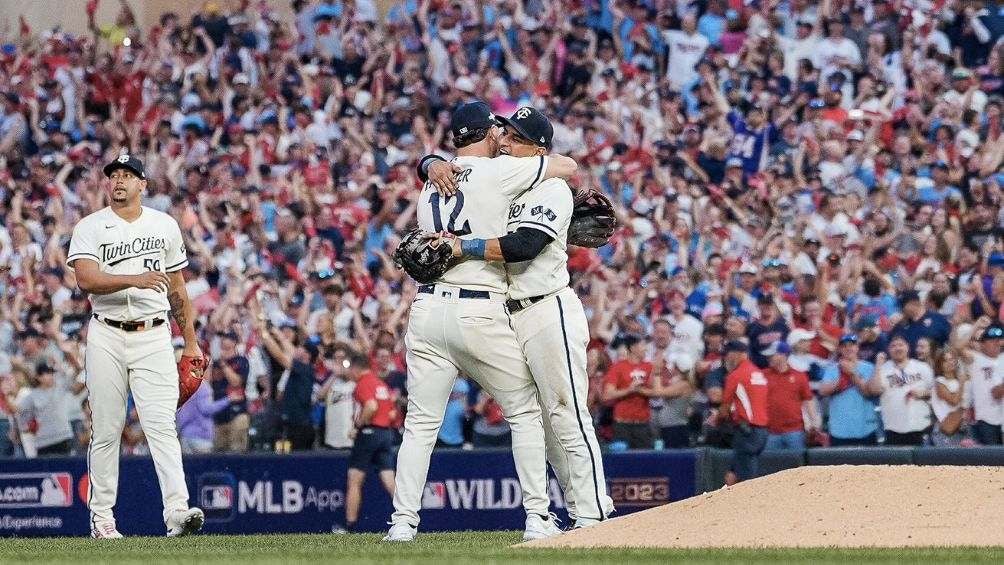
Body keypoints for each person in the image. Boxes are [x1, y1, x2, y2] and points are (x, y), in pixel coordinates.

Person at [384, 102, 578, 543]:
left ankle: (402, 524)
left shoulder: (431, 185)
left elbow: (439, 167)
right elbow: (565, 164)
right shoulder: (498, 173)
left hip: (428, 309)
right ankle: (537, 517)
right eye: (496, 128)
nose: (500, 134)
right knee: (525, 411)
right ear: (487, 132)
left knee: (419, 425)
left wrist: (430, 162)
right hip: (480, 306)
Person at [435, 105, 614, 527]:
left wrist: (465, 248)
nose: (506, 141)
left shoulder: (550, 187)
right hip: (513, 314)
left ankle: (594, 511)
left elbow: (523, 246)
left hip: (549, 308)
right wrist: (431, 163)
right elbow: (456, 170)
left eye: (515, 136)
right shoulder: (507, 184)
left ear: (538, 148)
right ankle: (577, 508)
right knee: (547, 424)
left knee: (568, 412)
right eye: (506, 132)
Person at [66, 154, 204, 538]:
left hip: (155, 334)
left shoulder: (164, 225)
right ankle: (102, 517)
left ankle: (177, 511)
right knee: (107, 429)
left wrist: (190, 342)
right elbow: (87, 280)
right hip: (106, 332)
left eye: (128, 175)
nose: (119, 181)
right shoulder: (91, 226)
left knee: (162, 426)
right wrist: (135, 278)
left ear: (143, 184)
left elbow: (177, 288)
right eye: (114, 176)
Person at [344, 351, 397, 533]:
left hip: (369, 433)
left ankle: (350, 526)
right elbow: (392, 413)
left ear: (356, 368)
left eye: (349, 368)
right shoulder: (380, 384)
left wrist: (359, 424)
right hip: (385, 434)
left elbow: (371, 406)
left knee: (354, 478)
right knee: (389, 479)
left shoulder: (363, 384)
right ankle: (408, 517)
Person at [864, 335, 935, 446]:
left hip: (921, 427)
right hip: (893, 430)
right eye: (893, 346)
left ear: (907, 347)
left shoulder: (922, 367)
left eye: (901, 345)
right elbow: (874, 390)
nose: (898, 348)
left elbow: (935, 393)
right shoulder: (883, 369)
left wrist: (923, 393)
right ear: (888, 350)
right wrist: (878, 365)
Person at [716, 341, 769, 481]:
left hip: (746, 430)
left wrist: (717, 420)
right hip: (762, 430)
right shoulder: (759, 373)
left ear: (736, 354)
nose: (726, 358)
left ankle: (751, 502)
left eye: (727, 354)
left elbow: (725, 407)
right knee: (735, 470)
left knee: (747, 477)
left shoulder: (735, 375)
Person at [818, 335, 879, 446]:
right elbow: (822, 391)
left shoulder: (869, 367)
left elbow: (870, 393)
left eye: (852, 345)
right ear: (840, 349)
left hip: (866, 428)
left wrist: (851, 373)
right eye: (844, 346)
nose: (848, 348)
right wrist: (841, 381)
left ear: (857, 347)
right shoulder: (832, 369)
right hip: (840, 431)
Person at [602, 334, 656, 449]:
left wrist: (640, 390)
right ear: (632, 348)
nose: (645, 349)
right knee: (622, 462)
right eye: (642, 345)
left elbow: (656, 392)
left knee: (645, 461)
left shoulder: (649, 367)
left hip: (643, 425)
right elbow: (607, 394)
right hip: (622, 425)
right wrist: (629, 390)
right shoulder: (618, 367)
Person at [763, 342, 817, 451]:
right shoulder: (762, 375)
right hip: (770, 431)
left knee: (797, 465)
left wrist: (814, 422)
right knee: (770, 466)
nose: (769, 358)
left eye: (772, 355)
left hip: (794, 430)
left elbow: (808, 400)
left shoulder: (799, 376)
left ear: (783, 355)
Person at [16, 363, 77, 456]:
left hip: (63, 436)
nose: (50, 376)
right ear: (38, 377)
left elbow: (77, 372)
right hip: (44, 441)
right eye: (47, 373)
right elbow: (22, 416)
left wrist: (61, 367)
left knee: (67, 467)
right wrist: (27, 427)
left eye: (51, 373)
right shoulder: (32, 396)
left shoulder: (60, 388)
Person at [961, 320, 1004, 445]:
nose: (997, 343)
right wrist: (975, 326)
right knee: (992, 460)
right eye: (992, 340)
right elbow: (958, 347)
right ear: (982, 344)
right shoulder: (976, 359)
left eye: (998, 340)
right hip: (986, 418)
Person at [930, 348, 968, 447]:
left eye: (951, 359)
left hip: (963, 427)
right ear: (940, 364)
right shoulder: (939, 382)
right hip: (946, 430)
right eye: (945, 361)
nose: (949, 363)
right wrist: (961, 383)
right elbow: (954, 401)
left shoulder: (961, 379)